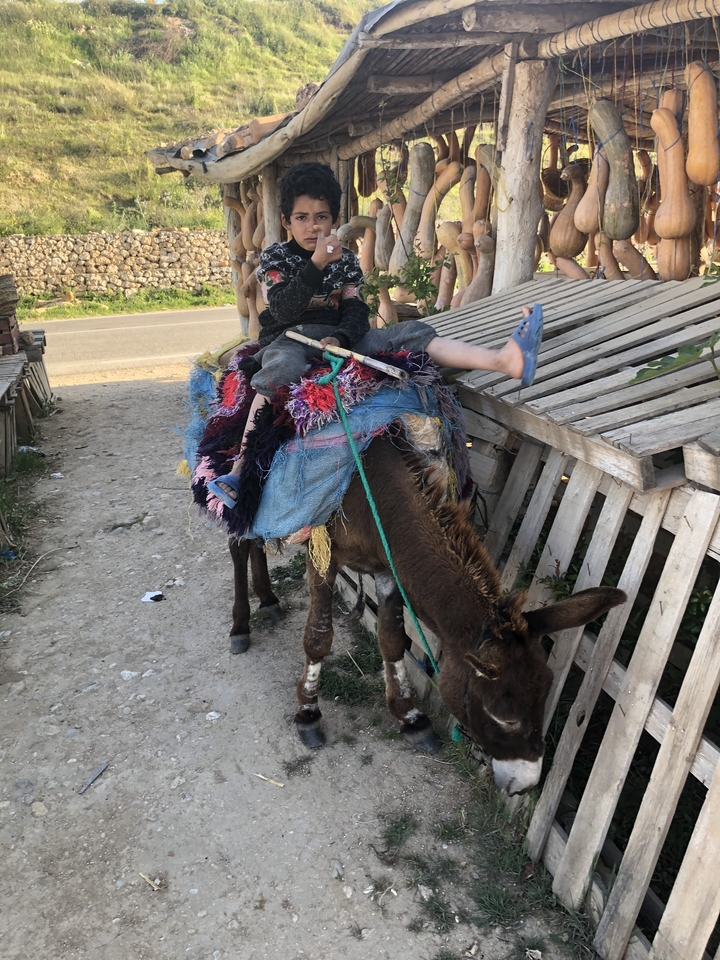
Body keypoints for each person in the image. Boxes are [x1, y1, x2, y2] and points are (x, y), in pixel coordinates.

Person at [208, 162, 542, 508]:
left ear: (334, 220)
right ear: (286, 221)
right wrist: (317, 265)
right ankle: (239, 467)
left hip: (337, 338)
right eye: (302, 217)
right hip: (289, 338)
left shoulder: (347, 261)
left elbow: (355, 310)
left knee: (409, 332)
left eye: (321, 217)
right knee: (279, 371)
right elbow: (282, 310)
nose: (312, 226)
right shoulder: (276, 257)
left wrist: (340, 338)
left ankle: (504, 360)